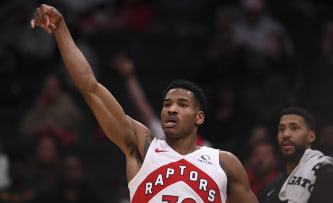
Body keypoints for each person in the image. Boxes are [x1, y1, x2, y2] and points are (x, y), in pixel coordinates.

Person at [30, 4, 258, 203]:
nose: (172, 108)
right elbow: (90, 87)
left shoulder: (224, 163)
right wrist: (61, 29)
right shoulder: (143, 148)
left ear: (199, 117)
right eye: (167, 103)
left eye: (182, 104)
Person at [259, 107, 333, 203]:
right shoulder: (270, 187)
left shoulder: (325, 174)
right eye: (281, 129)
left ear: (311, 137)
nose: (285, 134)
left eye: (294, 128)